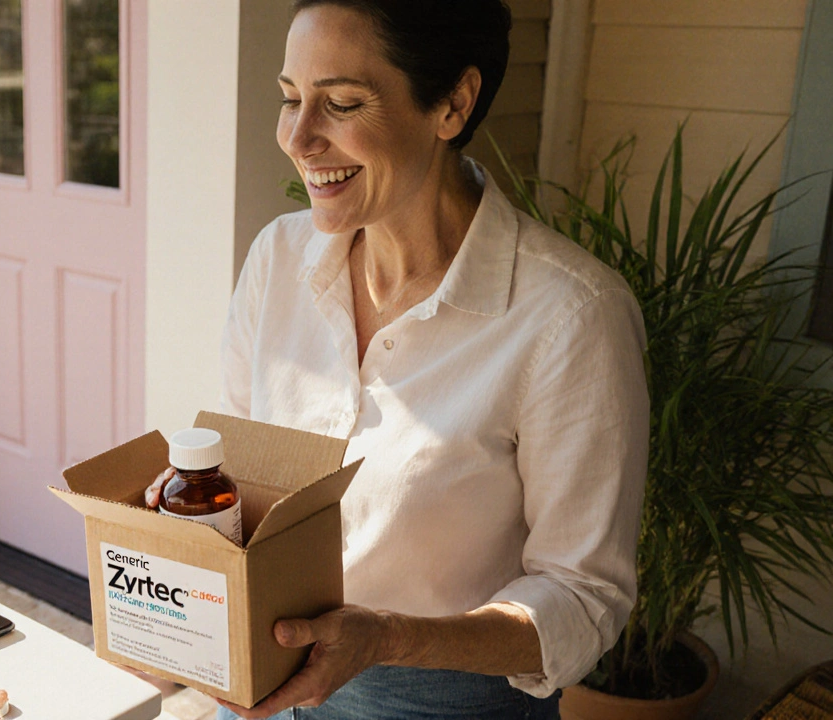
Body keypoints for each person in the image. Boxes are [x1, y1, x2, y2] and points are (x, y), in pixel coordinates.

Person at [146, 1, 650, 718]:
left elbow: (582, 599)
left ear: (452, 103)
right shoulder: (277, 260)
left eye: (341, 103)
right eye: (290, 98)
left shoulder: (570, 317)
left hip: (441, 702)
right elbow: (241, 469)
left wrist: (385, 638)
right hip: (258, 672)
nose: (297, 136)